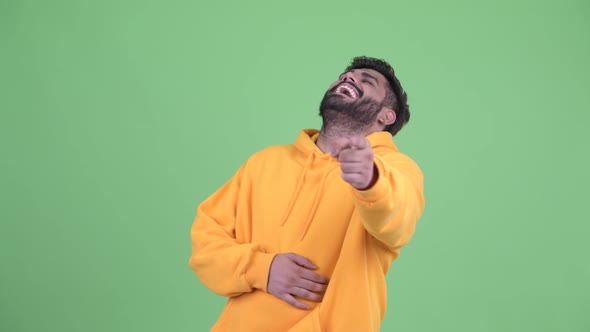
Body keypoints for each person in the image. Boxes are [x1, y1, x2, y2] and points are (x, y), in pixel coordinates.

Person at [188, 56, 425, 331]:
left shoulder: (394, 170)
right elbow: (205, 242)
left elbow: (399, 220)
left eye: (367, 80)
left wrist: (371, 180)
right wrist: (261, 268)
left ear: (386, 115)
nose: (348, 78)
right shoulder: (265, 162)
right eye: (346, 75)